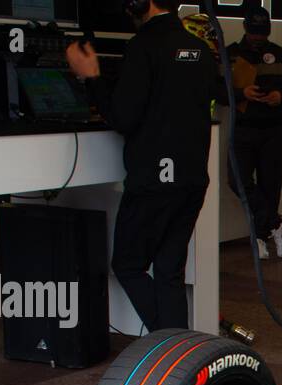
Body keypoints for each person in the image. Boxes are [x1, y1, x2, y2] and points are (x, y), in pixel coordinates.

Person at [65, 0, 221, 332]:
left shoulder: (143, 46)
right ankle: (179, 351)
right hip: (192, 177)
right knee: (169, 270)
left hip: (154, 178)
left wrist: (92, 77)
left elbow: (123, 117)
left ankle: (167, 343)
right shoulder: (199, 49)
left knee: (128, 264)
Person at [226, 3, 282, 259]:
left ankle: (260, 238)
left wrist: (280, 96)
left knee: (271, 185)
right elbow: (214, 90)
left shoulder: (281, 54)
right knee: (236, 179)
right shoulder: (231, 55)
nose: (259, 38)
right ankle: (275, 222)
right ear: (246, 29)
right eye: (255, 32)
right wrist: (242, 94)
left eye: (264, 32)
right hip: (243, 128)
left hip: (273, 129)